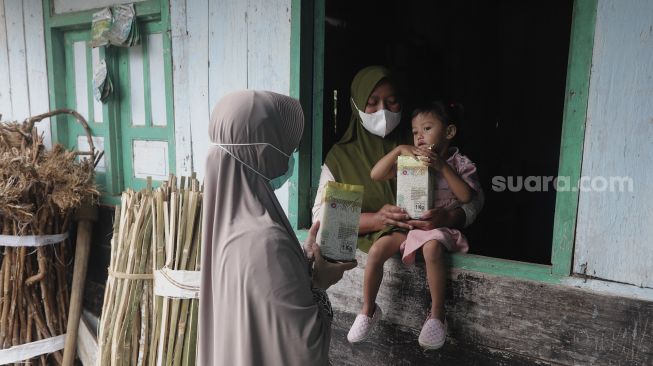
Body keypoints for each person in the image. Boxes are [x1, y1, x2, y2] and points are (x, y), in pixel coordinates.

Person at [311, 66, 484, 346]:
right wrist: (377, 219)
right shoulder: (341, 157)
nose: (383, 109)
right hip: (377, 251)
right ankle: (368, 309)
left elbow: (473, 198)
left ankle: (436, 315)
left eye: (392, 101)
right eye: (372, 101)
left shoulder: (421, 135)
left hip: (426, 239)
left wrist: (449, 217)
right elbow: (322, 222)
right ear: (356, 104)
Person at [199, 90, 356, 366]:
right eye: (287, 149)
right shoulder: (265, 240)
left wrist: (298, 264)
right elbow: (306, 348)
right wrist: (319, 284)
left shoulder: (223, 228)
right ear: (262, 154)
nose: (291, 157)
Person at [357, 101, 481, 349]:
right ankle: (369, 309)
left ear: (449, 132)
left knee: (432, 249)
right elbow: (376, 174)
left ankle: (437, 315)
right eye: (415, 132)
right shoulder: (411, 161)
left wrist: (442, 166)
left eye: (426, 128)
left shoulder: (459, 163)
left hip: (436, 228)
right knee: (377, 250)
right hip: (408, 226)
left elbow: (467, 197)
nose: (419, 136)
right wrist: (399, 150)